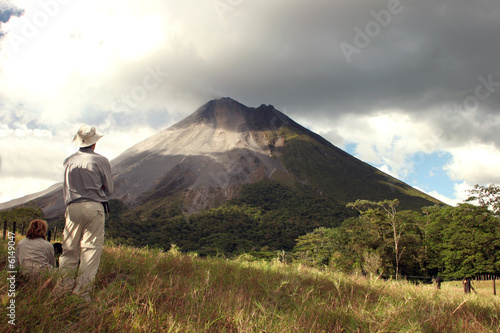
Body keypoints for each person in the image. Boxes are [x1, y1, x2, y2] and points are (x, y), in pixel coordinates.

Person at [58, 125, 113, 299]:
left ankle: (62, 291)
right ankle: (81, 296)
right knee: (90, 250)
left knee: (69, 250)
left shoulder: (68, 161)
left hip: (72, 207)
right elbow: (109, 189)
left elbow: (66, 186)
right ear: (94, 143)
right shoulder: (101, 161)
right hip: (94, 207)